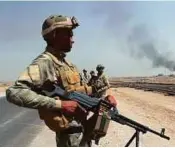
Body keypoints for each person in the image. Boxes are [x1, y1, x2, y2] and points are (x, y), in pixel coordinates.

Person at [5, 14, 117, 147]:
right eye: (69, 34)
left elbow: (77, 93)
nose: (73, 39)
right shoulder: (45, 62)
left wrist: (102, 101)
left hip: (81, 131)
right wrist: (60, 105)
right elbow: (15, 92)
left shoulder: (66, 64)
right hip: (68, 137)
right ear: (54, 35)